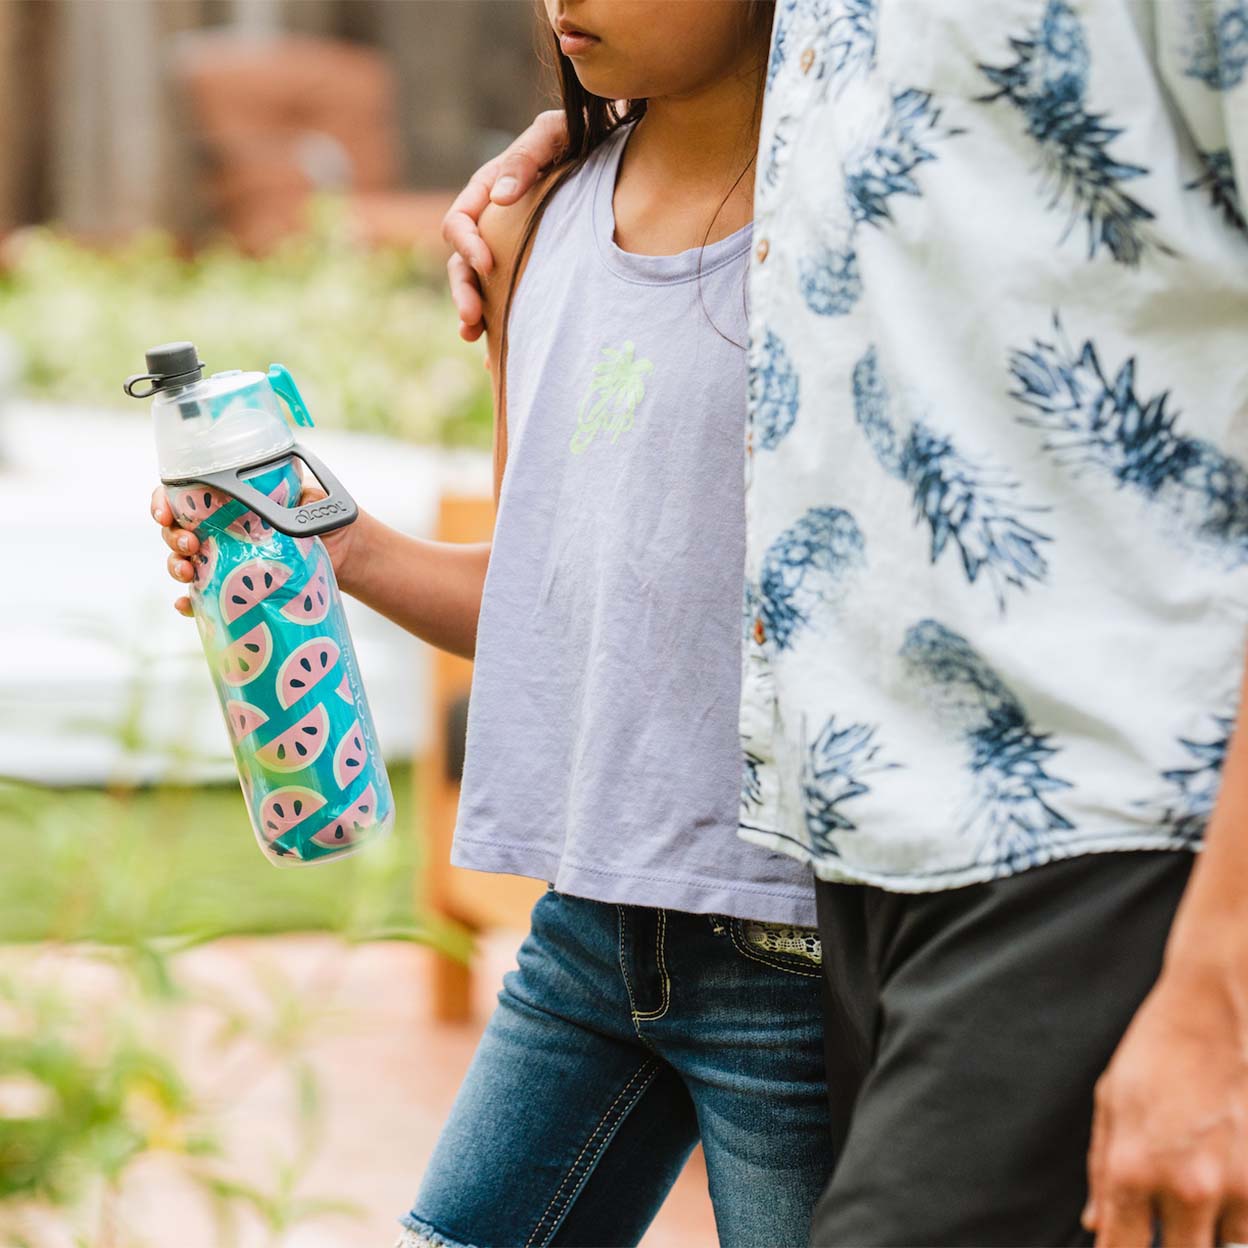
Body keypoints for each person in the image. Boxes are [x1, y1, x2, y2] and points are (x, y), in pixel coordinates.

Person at [446, 1, 1248, 1244]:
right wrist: (591, 150)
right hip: (827, 871)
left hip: (1087, 834)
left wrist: (1220, 991)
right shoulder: (614, 176)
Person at [152, 3, 838, 1246]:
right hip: (590, 929)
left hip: (799, 956)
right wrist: (326, 542)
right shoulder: (534, 223)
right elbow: (538, 595)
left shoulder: (864, 222)